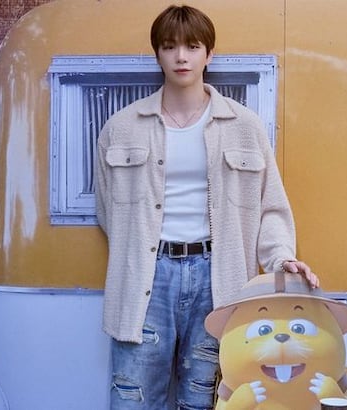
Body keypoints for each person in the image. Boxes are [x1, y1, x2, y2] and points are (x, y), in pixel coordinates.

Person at [94, 4, 319, 409]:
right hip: (146, 277)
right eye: (170, 47)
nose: (181, 57)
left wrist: (281, 258)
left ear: (209, 54)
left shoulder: (244, 126)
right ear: (157, 54)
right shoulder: (122, 127)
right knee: (133, 397)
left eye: (193, 46)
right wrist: (144, 247)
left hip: (219, 279)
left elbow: (269, 205)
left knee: (205, 399)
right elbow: (108, 210)